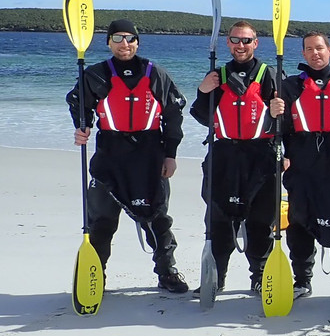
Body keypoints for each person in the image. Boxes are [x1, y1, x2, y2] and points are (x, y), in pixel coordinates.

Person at [66, 19, 190, 293]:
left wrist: (170, 154)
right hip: (110, 153)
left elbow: (173, 114)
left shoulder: (155, 73)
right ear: (108, 42)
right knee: (102, 220)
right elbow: (77, 102)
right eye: (118, 38)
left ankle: (167, 272)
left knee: (157, 217)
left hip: (149, 153)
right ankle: (94, 277)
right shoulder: (96, 75)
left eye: (130, 38)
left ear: (138, 42)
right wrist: (82, 127)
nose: (125, 44)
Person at [268, 32, 330, 300]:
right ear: (304, 54)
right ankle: (302, 280)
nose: (315, 53)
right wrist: (273, 113)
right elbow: (275, 129)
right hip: (303, 166)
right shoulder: (289, 86)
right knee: (299, 223)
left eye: (319, 48)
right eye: (309, 49)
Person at [190, 20, 280, 294]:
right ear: (228, 43)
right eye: (235, 40)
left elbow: (286, 123)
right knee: (219, 219)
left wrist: (279, 114)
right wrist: (203, 91)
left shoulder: (270, 75)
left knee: (260, 221)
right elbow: (203, 116)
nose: (241, 45)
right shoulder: (217, 75)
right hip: (225, 154)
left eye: (246, 40)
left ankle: (260, 275)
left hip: (261, 156)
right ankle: (217, 277)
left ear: (256, 43)